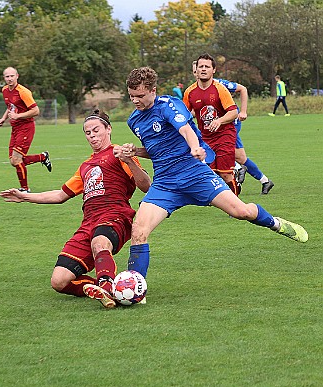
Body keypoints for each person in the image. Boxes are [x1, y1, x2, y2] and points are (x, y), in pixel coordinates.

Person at [120, 66, 308, 283]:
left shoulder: (169, 105)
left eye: (140, 96)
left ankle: (276, 223)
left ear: (153, 91)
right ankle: (135, 286)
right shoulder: (134, 120)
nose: (135, 100)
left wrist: (194, 148)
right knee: (139, 231)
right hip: (165, 184)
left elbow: (186, 130)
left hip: (195, 174)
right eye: (132, 96)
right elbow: (157, 151)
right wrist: (135, 152)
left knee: (241, 212)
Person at [0, 110, 151, 309]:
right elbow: (60, 195)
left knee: (100, 242)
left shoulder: (119, 154)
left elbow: (146, 185)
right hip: (88, 223)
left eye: (96, 130)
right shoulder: (85, 166)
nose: (92, 135)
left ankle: (108, 289)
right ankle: (97, 287)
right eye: (88, 133)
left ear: (108, 129)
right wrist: (25, 196)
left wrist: (129, 160)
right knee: (59, 280)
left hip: (115, 215)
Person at [191, 62, 274, 195]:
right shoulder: (195, 90)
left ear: (212, 70)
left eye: (204, 68)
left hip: (229, 125)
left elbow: (242, 89)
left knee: (220, 152)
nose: (199, 73)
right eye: (196, 71)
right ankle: (264, 180)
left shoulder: (220, 85)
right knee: (240, 157)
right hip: (214, 129)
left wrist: (243, 111)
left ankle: (236, 170)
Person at [184, 54, 240, 196]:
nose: (203, 69)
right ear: (196, 70)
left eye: (207, 67)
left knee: (226, 175)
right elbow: (183, 115)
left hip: (224, 135)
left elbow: (233, 112)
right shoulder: (190, 92)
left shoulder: (220, 89)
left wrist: (219, 121)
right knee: (211, 175)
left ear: (213, 70)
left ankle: (235, 201)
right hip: (205, 138)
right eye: (200, 66)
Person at [0, 67, 52, 192]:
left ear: (17, 76)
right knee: (13, 161)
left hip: (26, 127)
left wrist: (18, 116)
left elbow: (36, 111)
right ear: (4, 78)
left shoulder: (23, 92)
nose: (10, 79)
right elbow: (11, 106)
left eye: (12, 76)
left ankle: (25, 189)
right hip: (15, 128)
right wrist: (3, 118)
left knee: (16, 159)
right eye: (7, 76)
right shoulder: (5, 90)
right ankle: (42, 157)